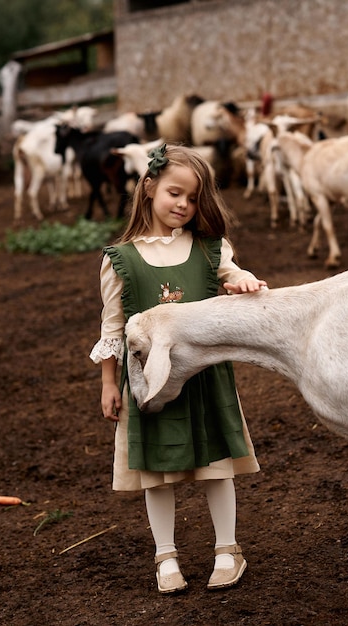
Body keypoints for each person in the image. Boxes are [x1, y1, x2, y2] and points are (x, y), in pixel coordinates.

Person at [89, 143, 268, 594]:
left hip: (204, 377)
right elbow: (111, 328)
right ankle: (165, 558)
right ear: (149, 187)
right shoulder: (120, 260)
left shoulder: (209, 249)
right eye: (174, 193)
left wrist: (241, 280)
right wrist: (109, 382)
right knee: (157, 475)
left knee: (217, 466)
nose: (183, 205)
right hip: (148, 382)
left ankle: (227, 551)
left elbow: (233, 275)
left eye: (192, 198)